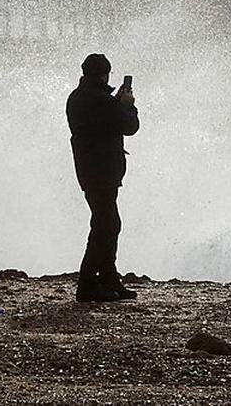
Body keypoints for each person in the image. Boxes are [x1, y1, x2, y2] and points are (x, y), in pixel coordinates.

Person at [66, 53, 140, 303]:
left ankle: (108, 279)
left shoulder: (77, 98)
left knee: (108, 223)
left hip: (89, 171)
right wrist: (127, 104)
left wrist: (115, 103)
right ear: (105, 74)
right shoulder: (102, 101)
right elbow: (129, 126)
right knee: (105, 226)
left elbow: (102, 124)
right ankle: (87, 285)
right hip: (103, 172)